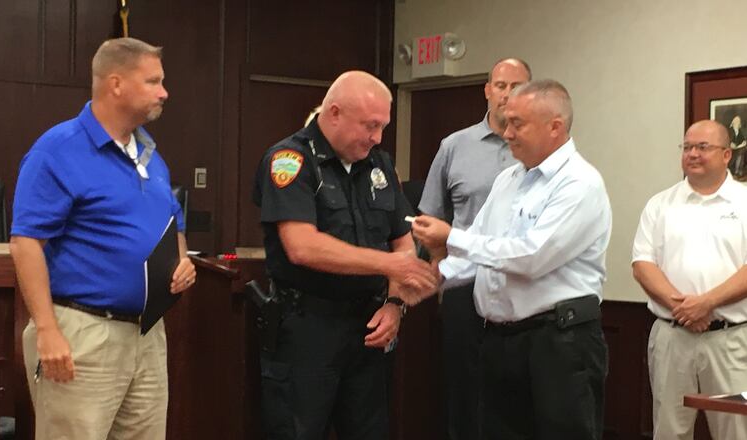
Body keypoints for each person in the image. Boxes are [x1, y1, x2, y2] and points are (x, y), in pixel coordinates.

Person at [9, 37, 196, 440]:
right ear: (116, 84)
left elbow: (172, 225)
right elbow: (26, 244)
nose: (165, 92)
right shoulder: (58, 150)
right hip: (82, 331)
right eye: (153, 81)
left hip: (145, 334)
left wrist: (182, 262)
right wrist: (46, 330)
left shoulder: (150, 157)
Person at [412, 79, 611, 440]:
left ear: (555, 127)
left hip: (558, 343)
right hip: (500, 340)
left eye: (518, 124)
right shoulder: (508, 179)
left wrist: (451, 237)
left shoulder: (580, 183)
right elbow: (484, 251)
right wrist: (432, 277)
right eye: (505, 122)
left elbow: (531, 256)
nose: (506, 133)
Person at [252, 70, 438, 440]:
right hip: (308, 327)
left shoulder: (379, 164)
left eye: (382, 126)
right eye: (370, 125)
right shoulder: (291, 160)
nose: (377, 137)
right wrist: (387, 264)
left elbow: (402, 239)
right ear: (334, 113)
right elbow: (302, 246)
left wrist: (395, 305)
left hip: (369, 327)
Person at [418, 57, 530, 440]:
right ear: (487, 90)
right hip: (463, 287)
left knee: (516, 392)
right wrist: (438, 272)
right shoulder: (454, 146)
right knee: (463, 390)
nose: (508, 94)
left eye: (517, 86)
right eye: (501, 85)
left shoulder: (537, 151)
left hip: (521, 286)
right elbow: (430, 219)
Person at [632, 119, 747, 440]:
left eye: (703, 147)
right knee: (669, 430)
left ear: (726, 155)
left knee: (735, 430)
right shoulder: (660, 204)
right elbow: (642, 264)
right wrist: (683, 309)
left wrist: (706, 303)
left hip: (731, 341)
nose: (693, 154)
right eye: (687, 147)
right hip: (672, 338)